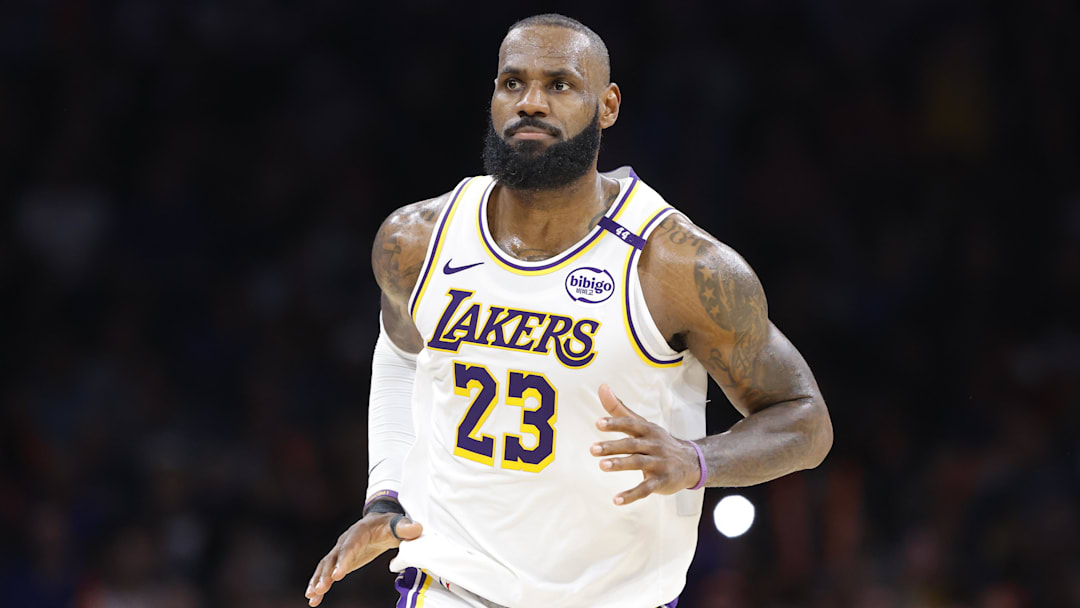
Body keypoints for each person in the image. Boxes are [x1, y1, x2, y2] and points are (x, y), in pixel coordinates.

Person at [305, 13, 832, 608]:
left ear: (607, 106)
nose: (532, 102)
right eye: (513, 83)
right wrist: (386, 494)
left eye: (559, 85)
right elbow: (400, 356)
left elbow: (805, 421)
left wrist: (697, 460)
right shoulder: (417, 239)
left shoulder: (676, 265)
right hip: (451, 588)